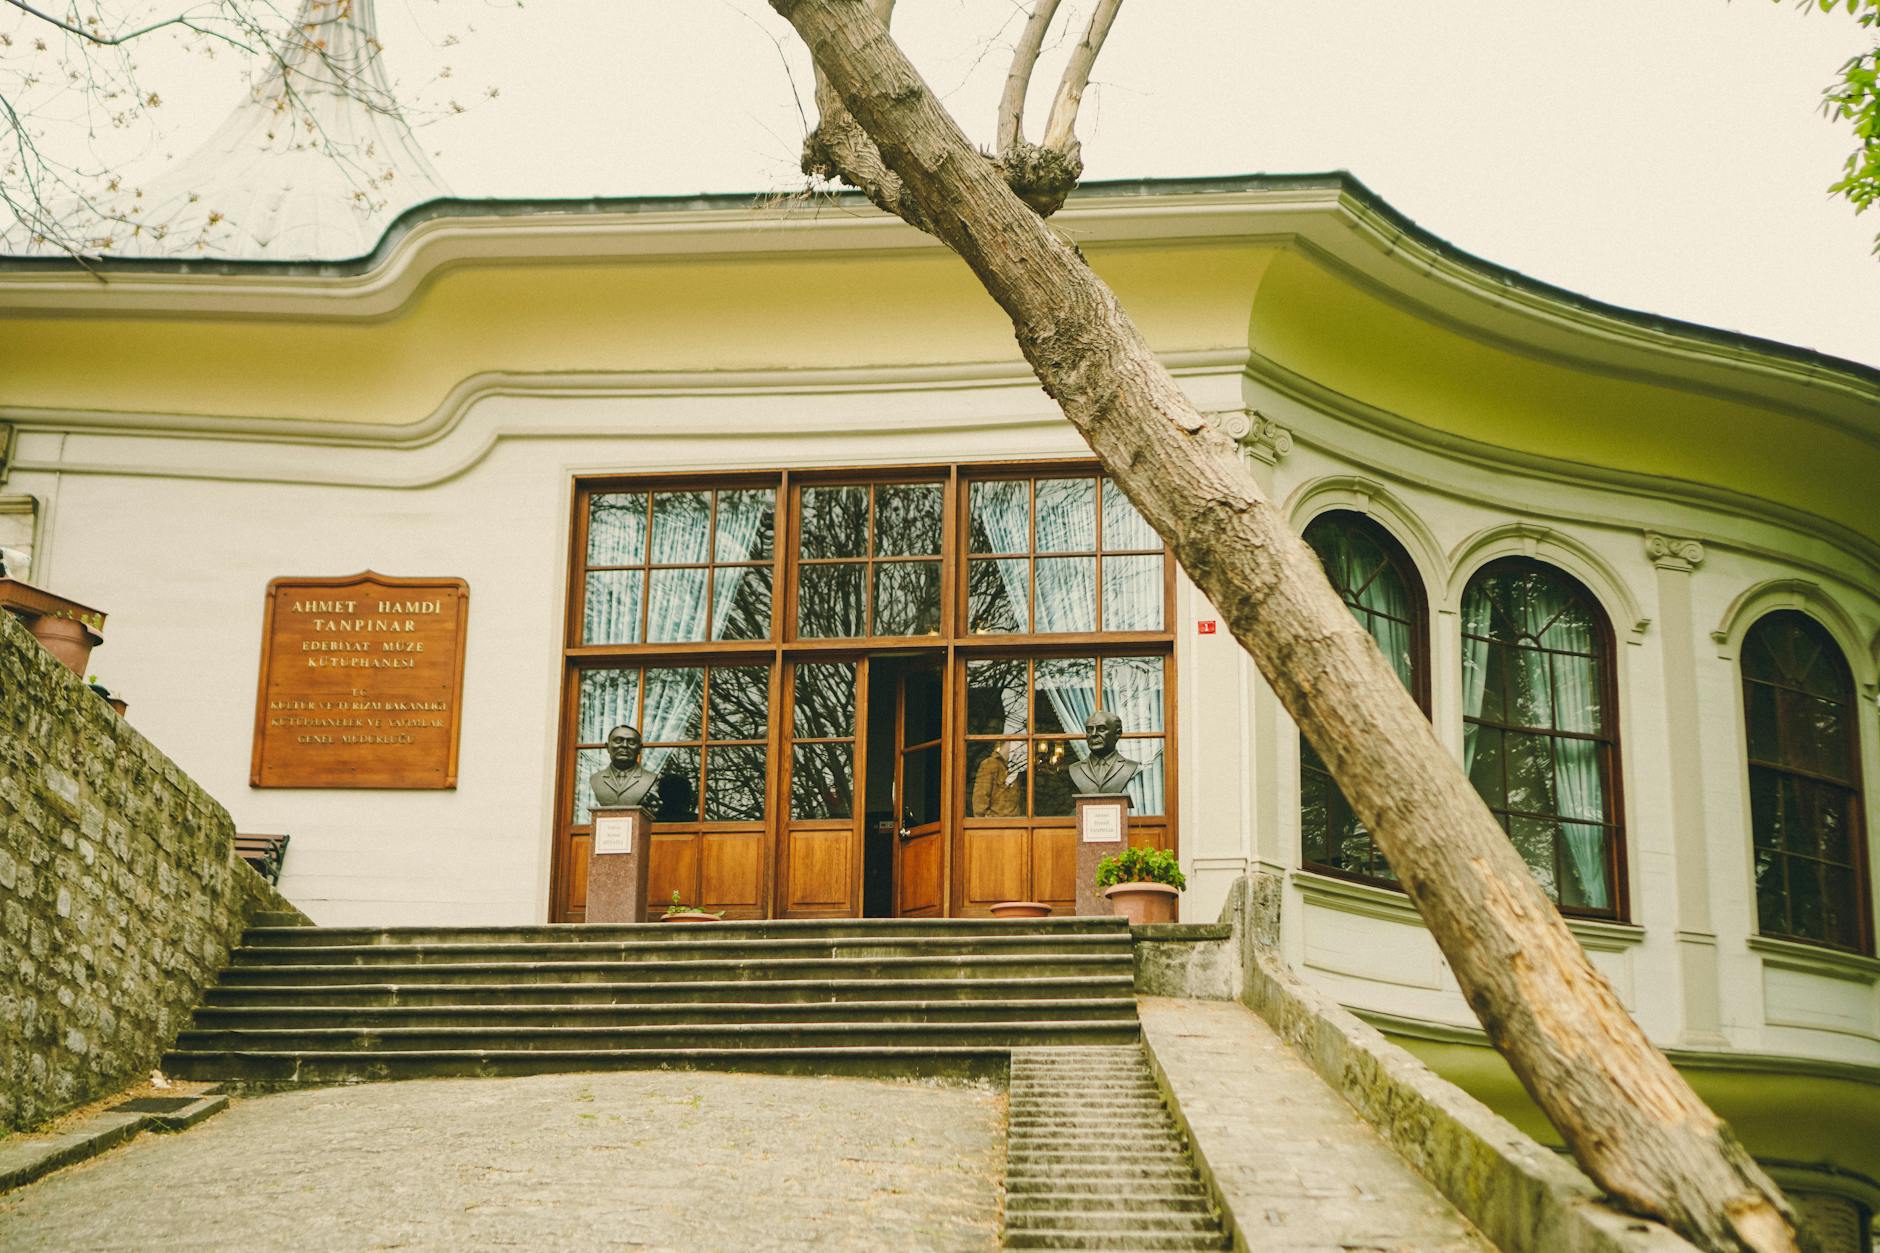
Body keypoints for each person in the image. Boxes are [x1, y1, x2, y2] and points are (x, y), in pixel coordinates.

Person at [1066, 710, 1139, 796]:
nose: (1093, 734)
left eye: (1101, 729)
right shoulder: (1075, 769)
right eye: (1089, 730)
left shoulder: (1129, 767)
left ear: (1117, 733)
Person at [589, 724, 661, 810]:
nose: (625, 745)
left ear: (639, 749)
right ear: (607, 747)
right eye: (618, 741)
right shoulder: (596, 779)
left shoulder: (649, 778)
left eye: (631, 742)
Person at [971, 740, 1027, 817]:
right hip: (996, 825)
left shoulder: (1013, 768)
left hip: (1013, 824)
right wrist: (986, 823)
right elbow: (980, 800)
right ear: (1009, 743)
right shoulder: (990, 764)